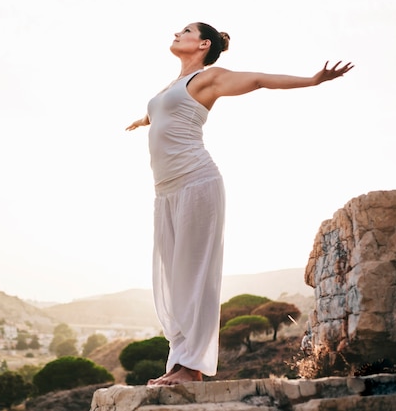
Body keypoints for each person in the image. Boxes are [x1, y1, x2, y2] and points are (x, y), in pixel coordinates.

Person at [125, 22, 353, 386]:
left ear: (202, 44)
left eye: (185, 30)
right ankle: (178, 362)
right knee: (172, 279)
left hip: (196, 183)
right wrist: (144, 120)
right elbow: (159, 113)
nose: (176, 32)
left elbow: (259, 79)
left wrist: (312, 80)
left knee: (194, 277)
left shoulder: (208, 78)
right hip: (165, 191)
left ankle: (191, 368)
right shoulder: (171, 86)